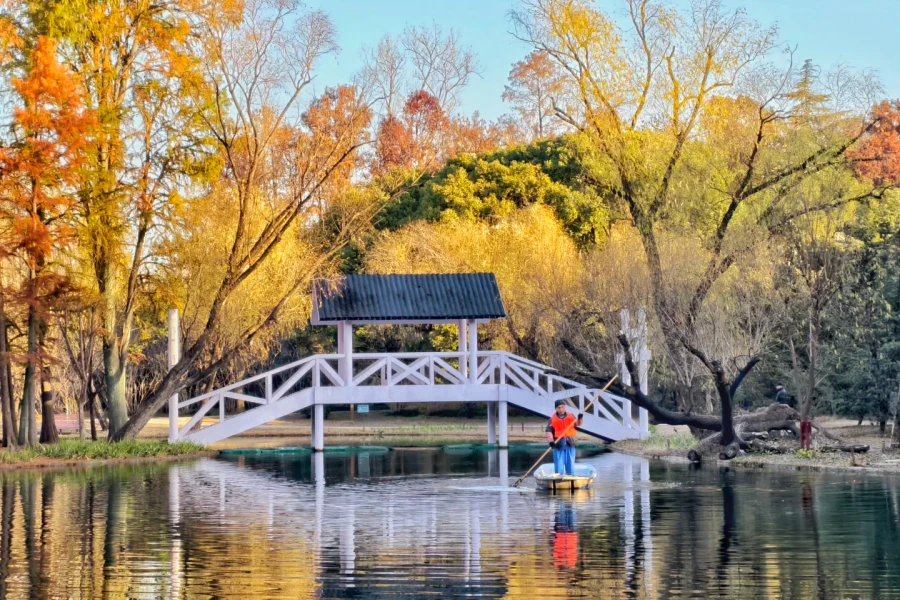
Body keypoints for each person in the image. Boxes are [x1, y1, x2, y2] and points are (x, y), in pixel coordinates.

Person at [546, 400, 583, 476]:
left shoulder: (571, 415)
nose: (561, 409)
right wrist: (551, 441)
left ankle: (570, 476)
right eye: (559, 407)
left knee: (570, 462)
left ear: (564, 407)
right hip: (558, 444)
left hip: (570, 442)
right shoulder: (552, 419)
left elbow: (578, 424)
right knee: (559, 463)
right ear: (556, 409)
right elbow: (548, 431)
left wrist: (580, 418)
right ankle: (558, 477)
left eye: (562, 407)